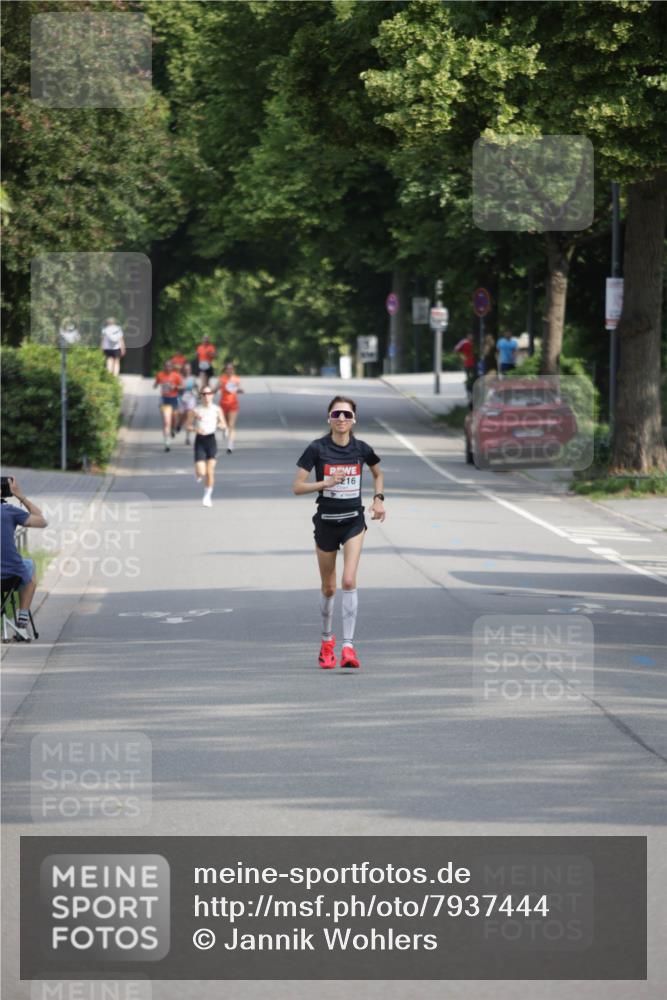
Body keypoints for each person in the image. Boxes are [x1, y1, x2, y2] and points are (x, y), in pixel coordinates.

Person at [292, 396, 385, 670]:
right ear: (329, 418)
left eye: (346, 414)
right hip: (326, 522)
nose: (341, 419)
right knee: (329, 586)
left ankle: (348, 647)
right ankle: (326, 640)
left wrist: (378, 499)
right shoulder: (317, 448)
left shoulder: (361, 448)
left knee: (348, 580)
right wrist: (325, 482)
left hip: (353, 521)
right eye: (336, 414)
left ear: (354, 419)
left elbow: (377, 473)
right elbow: (297, 486)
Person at [1, 476, 48, 641]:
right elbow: (42, 521)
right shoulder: (10, 512)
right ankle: (22, 620)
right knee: (29, 564)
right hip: (11, 575)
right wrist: (21, 497)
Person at [186, 386, 227, 507]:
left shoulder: (217, 409)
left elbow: (223, 423)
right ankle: (198, 473)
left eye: (209, 393)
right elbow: (187, 425)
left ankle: (207, 496)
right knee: (201, 471)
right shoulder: (195, 410)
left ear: (212, 395)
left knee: (210, 472)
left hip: (211, 440)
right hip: (200, 440)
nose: (206, 396)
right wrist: (195, 429)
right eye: (204, 394)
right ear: (201, 396)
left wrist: (220, 425)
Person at [153, 359, 183, 451]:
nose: (168, 368)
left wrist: (175, 387)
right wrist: (159, 384)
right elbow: (155, 385)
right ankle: (167, 443)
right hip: (164, 399)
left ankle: (173, 429)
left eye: (169, 366)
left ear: (172, 367)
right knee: (166, 422)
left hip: (174, 399)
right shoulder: (160, 375)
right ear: (164, 367)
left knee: (174, 419)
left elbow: (182, 387)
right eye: (166, 366)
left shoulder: (176, 375)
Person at [218, 360, 244, 454]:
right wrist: (207, 392)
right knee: (224, 424)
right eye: (227, 369)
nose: (229, 370)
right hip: (223, 404)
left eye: (231, 369)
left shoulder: (236, 379)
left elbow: (237, 389)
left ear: (233, 370)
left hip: (233, 404)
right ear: (225, 370)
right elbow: (215, 388)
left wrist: (240, 390)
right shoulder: (222, 379)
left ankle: (230, 445)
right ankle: (225, 429)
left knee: (231, 425)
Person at [179, 363, 199, 445]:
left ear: (190, 370)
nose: (187, 371)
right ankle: (179, 425)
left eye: (188, 369)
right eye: (185, 369)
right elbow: (176, 388)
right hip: (181, 399)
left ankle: (187, 438)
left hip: (191, 399)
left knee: (189, 419)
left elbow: (196, 387)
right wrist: (180, 388)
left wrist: (198, 394)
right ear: (183, 370)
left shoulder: (193, 378)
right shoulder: (179, 378)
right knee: (182, 417)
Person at [454, 332, 476, 400]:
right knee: (468, 378)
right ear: (467, 336)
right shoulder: (464, 342)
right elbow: (456, 349)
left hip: (475, 363)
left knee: (475, 378)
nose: (471, 337)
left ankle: (474, 392)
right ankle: (469, 392)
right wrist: (462, 357)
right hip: (467, 363)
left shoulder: (476, 343)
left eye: (472, 336)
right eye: (469, 336)